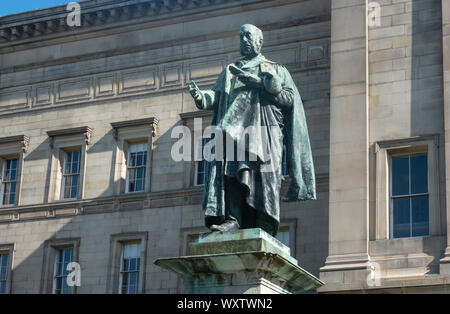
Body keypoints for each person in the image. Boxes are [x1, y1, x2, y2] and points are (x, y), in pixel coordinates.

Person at [187, 24, 316, 236]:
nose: (243, 40)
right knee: (233, 175)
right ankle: (233, 219)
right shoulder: (230, 71)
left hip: (265, 132)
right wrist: (201, 97)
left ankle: (263, 222)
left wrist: (261, 84)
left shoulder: (275, 69)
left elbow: (290, 99)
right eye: (240, 37)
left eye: (248, 36)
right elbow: (218, 97)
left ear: (259, 41)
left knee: (265, 179)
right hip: (235, 133)